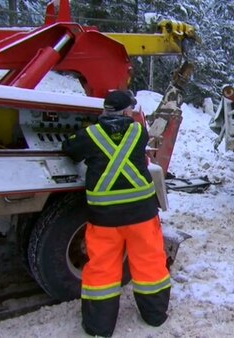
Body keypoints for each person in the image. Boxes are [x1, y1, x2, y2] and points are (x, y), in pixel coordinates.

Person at [62, 90, 171, 337]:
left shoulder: (90, 135)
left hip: (105, 218)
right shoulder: (138, 131)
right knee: (149, 264)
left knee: (102, 269)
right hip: (142, 214)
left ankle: (99, 326)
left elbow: (69, 148)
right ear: (125, 112)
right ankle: (154, 317)